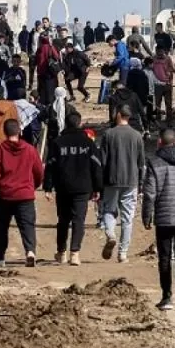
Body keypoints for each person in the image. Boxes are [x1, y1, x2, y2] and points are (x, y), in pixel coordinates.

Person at [143, 128, 175, 311]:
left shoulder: (155, 162)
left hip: (164, 216)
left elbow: (150, 193)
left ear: (160, 142)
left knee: (164, 257)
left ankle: (166, 297)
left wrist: (147, 215)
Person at [0, 118, 45, 267]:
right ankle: (30, 251)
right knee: (27, 225)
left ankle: (0, 257)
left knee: (2, 226)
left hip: (5, 194)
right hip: (25, 195)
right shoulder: (30, 149)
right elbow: (39, 172)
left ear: (5, 132)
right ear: (19, 131)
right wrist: (33, 186)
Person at [43, 109, 100, 266]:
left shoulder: (58, 143)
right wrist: (97, 187)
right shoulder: (88, 143)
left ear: (66, 124)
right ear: (80, 124)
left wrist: (47, 187)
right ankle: (75, 253)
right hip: (83, 187)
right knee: (78, 220)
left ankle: (62, 253)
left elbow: (50, 166)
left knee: (63, 220)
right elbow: (96, 166)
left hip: (63, 187)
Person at [98, 105, 146, 263]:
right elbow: (141, 163)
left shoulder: (108, 134)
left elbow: (102, 161)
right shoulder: (137, 136)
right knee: (127, 218)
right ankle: (123, 253)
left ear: (118, 114)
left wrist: (99, 182)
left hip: (111, 179)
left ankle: (110, 233)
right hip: (131, 180)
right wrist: (141, 183)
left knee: (109, 210)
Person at [34, 34, 63, 106]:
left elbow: (36, 60)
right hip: (50, 72)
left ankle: (42, 104)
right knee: (50, 90)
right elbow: (57, 57)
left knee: (42, 90)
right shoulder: (50, 47)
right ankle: (50, 104)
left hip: (40, 73)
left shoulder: (39, 48)